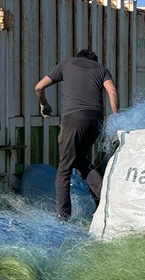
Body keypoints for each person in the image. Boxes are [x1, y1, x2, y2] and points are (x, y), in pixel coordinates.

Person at [34, 49, 119, 221]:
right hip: (96, 121)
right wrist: (117, 117)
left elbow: (39, 86)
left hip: (74, 120)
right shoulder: (101, 69)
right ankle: (105, 204)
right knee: (80, 160)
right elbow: (112, 92)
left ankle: (63, 218)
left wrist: (44, 104)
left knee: (64, 169)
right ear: (93, 60)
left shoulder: (67, 63)